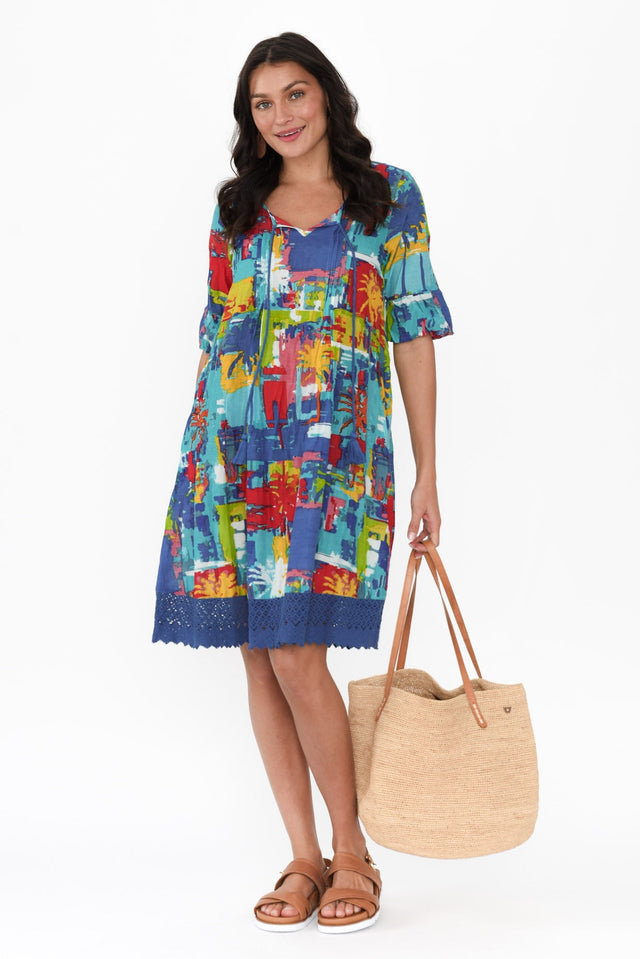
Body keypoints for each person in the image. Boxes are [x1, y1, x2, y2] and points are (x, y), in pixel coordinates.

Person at [152, 32, 453, 933]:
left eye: (294, 94)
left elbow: (412, 333)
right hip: (229, 457)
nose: (280, 115)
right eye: (262, 103)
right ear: (250, 119)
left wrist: (429, 468)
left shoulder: (388, 198)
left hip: (335, 461)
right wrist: (201, 467)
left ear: (326, 95)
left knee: (297, 655)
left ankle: (353, 851)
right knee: (259, 653)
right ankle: (304, 856)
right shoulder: (236, 210)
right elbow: (218, 337)